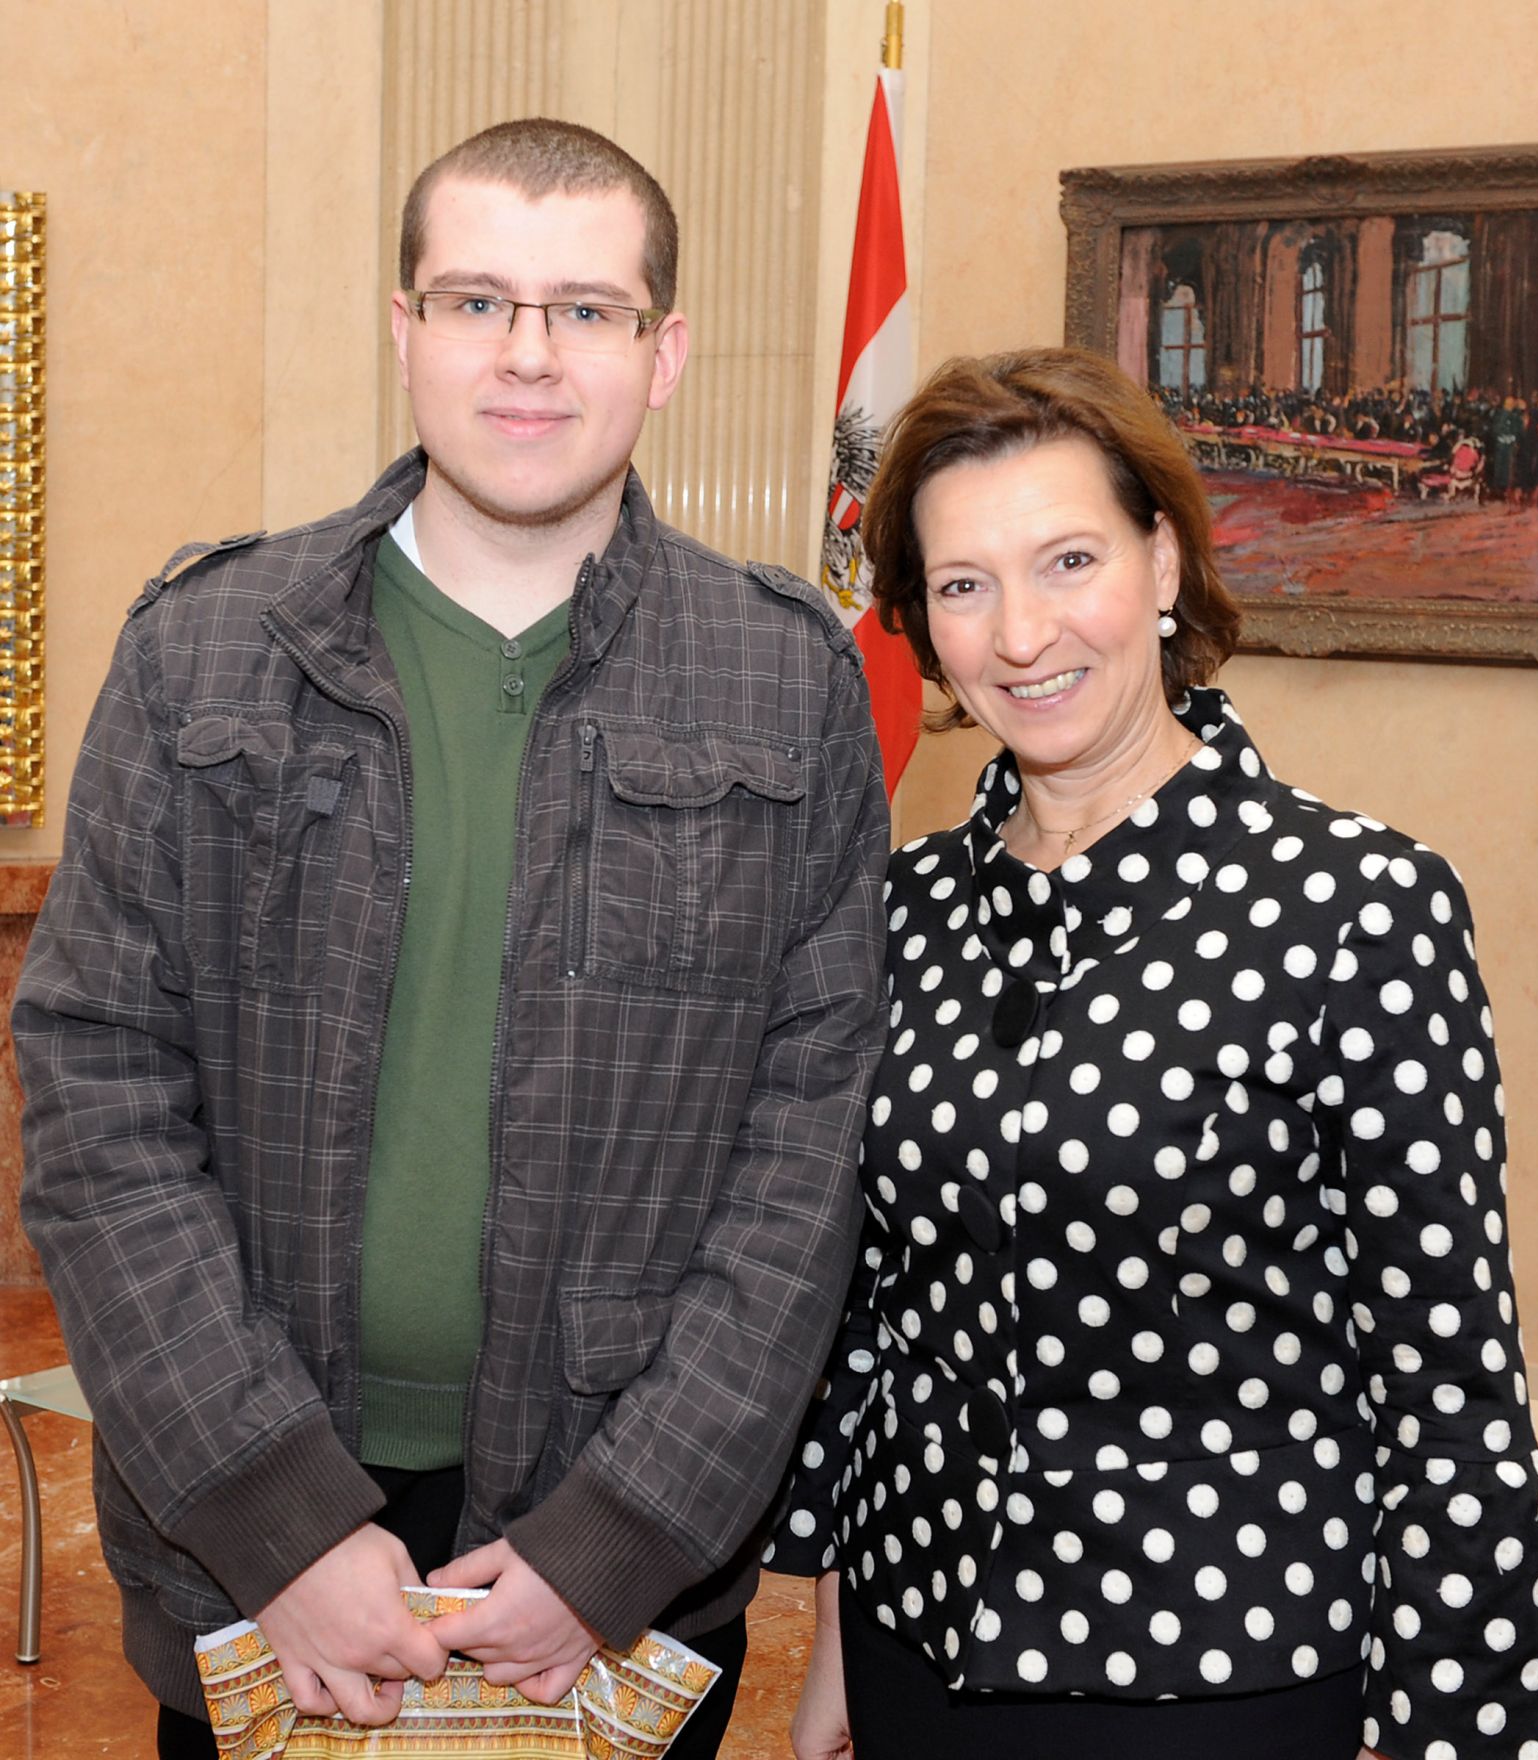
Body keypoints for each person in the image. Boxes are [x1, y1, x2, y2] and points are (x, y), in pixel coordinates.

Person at [15, 118, 888, 1759]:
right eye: (478, 301)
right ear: (404, 330)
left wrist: (619, 1537)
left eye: (587, 309)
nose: (529, 355)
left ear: (664, 353)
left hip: (608, 1544)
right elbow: (98, 1102)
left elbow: (813, 1154)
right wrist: (279, 1522)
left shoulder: (784, 678)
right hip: (257, 1531)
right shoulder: (205, 646)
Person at [770, 347, 1538, 1760]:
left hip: (1226, 1672)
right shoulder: (899, 910)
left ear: (1166, 562)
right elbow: (878, 1315)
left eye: (1068, 561)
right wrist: (834, 1621)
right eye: (963, 584)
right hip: (916, 1642)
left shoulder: (1357, 909)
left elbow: (1450, 1383)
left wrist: (1450, 1727)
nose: (1021, 635)